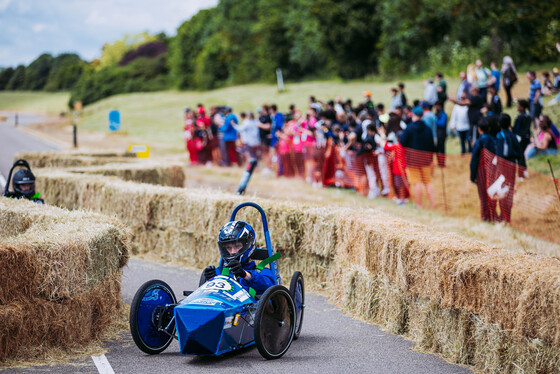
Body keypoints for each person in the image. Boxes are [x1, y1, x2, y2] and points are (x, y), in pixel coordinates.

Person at [202, 221, 274, 295]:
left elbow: (270, 289)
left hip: (247, 305)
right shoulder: (220, 272)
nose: (233, 252)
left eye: (237, 246)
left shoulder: (263, 272)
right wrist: (210, 279)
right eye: (228, 248)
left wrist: (245, 274)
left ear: (248, 245)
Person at [399, 106, 436, 208]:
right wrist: (431, 159)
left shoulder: (409, 128)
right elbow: (432, 145)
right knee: (427, 182)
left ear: (413, 115)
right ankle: (433, 204)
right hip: (425, 160)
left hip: (412, 160)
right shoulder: (427, 128)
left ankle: (419, 205)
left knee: (417, 182)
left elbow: (402, 143)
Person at [495, 113, 526, 223]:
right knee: (510, 190)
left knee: (502, 189)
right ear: (509, 124)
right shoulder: (514, 136)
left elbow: (499, 155)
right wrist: (521, 171)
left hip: (502, 167)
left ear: (499, 124)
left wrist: (497, 170)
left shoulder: (500, 136)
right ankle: (507, 215)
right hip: (512, 166)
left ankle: (502, 216)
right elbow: (520, 154)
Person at [470, 118, 497, 222]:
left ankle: (486, 217)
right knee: (492, 194)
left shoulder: (479, 142)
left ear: (479, 129)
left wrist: (472, 176)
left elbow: (474, 160)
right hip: (493, 171)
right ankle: (493, 216)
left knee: (483, 196)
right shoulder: (494, 140)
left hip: (481, 172)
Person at [434, 102, 448, 166]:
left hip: (442, 135)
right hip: (437, 135)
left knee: (442, 149)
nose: (435, 107)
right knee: (437, 149)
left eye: (437, 106)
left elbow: (442, 124)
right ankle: (439, 162)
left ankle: (442, 163)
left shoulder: (443, 114)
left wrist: (434, 120)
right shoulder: (436, 114)